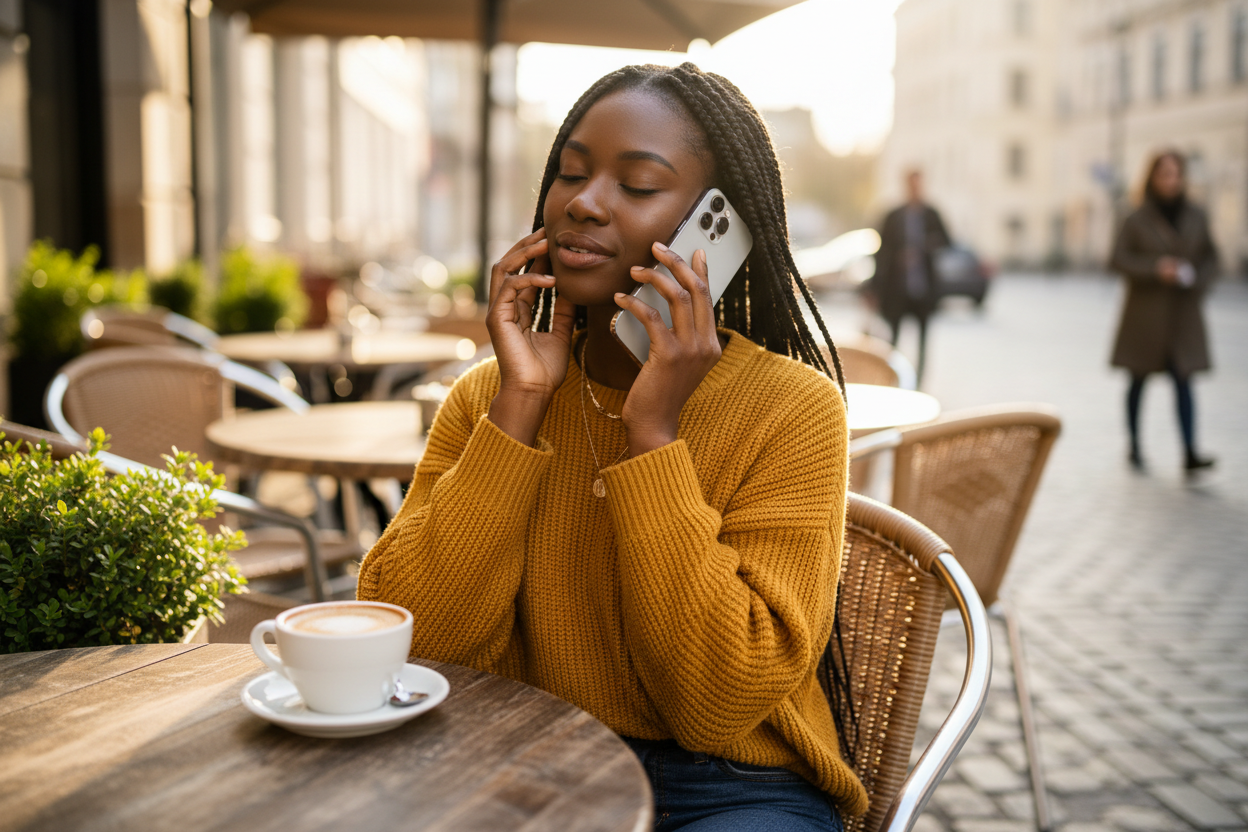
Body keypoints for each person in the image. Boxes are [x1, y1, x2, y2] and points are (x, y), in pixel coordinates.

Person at [357, 63, 866, 830]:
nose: (583, 203)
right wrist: (519, 407)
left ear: (714, 227)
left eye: (636, 185)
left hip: (731, 785)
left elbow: (717, 699)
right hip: (530, 761)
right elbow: (418, 646)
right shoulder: (488, 401)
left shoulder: (793, 411)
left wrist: (652, 434)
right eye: (570, 173)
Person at [1109, 150, 1218, 473]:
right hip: (1145, 313)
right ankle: (1135, 446)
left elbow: (1212, 257)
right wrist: (1156, 268)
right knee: (1138, 379)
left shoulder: (1196, 216)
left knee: (1184, 380)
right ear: (1152, 177)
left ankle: (1189, 452)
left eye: (1176, 173)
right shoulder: (1136, 216)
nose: (1171, 180)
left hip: (1182, 314)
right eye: (1164, 174)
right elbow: (1118, 259)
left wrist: (1197, 279)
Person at [868, 169, 951, 384]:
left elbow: (946, 241)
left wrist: (923, 249)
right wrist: (874, 288)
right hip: (898, 290)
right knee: (893, 339)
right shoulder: (894, 216)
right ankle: (892, 379)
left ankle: (920, 381)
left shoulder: (931, 214)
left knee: (923, 340)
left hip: (923, 290)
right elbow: (881, 253)